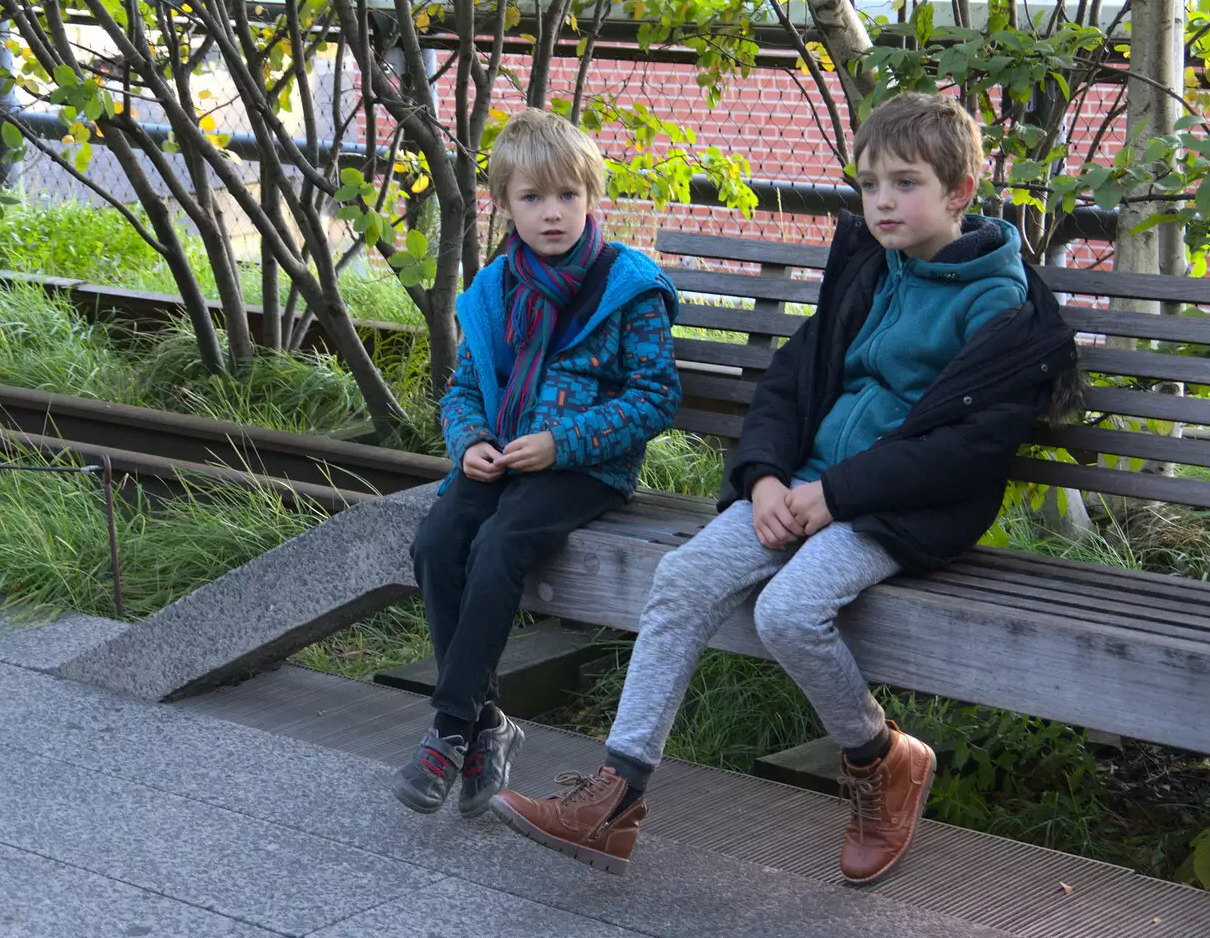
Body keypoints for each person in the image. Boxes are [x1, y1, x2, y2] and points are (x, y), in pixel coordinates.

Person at [490, 92, 1081, 879]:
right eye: (869, 185)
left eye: (904, 184)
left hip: (895, 509)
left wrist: (836, 495)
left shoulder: (1002, 308)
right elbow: (789, 384)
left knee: (790, 611)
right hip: (801, 490)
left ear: (960, 192)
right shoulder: (872, 270)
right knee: (683, 578)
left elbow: (964, 451)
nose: (882, 202)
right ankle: (615, 799)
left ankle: (881, 758)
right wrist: (764, 477)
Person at [393, 107, 682, 819]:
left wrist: (565, 443)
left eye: (567, 197)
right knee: (437, 541)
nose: (552, 214)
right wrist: (469, 444)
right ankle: (489, 725)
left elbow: (654, 398)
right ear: (505, 205)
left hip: (583, 469)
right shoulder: (496, 289)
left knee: (500, 545)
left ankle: (451, 726)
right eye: (533, 198)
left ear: (592, 199)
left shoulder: (628, 286)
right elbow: (465, 389)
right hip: (502, 460)